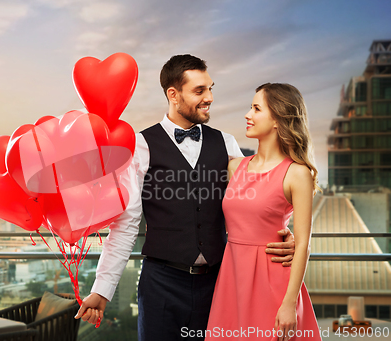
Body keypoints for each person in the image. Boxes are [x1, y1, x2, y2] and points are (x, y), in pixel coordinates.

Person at [75, 55, 296, 340]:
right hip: (161, 286)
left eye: (211, 88)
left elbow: (256, 198)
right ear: (173, 95)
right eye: (199, 91)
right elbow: (126, 225)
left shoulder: (226, 143)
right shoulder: (141, 145)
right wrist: (101, 291)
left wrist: (282, 232)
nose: (210, 98)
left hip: (221, 282)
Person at [205, 83, 321, 340]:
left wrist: (289, 303)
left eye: (256, 108)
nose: (248, 115)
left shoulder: (297, 173)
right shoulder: (235, 167)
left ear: (278, 118)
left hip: (273, 282)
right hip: (231, 280)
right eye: (250, 107)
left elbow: (302, 244)